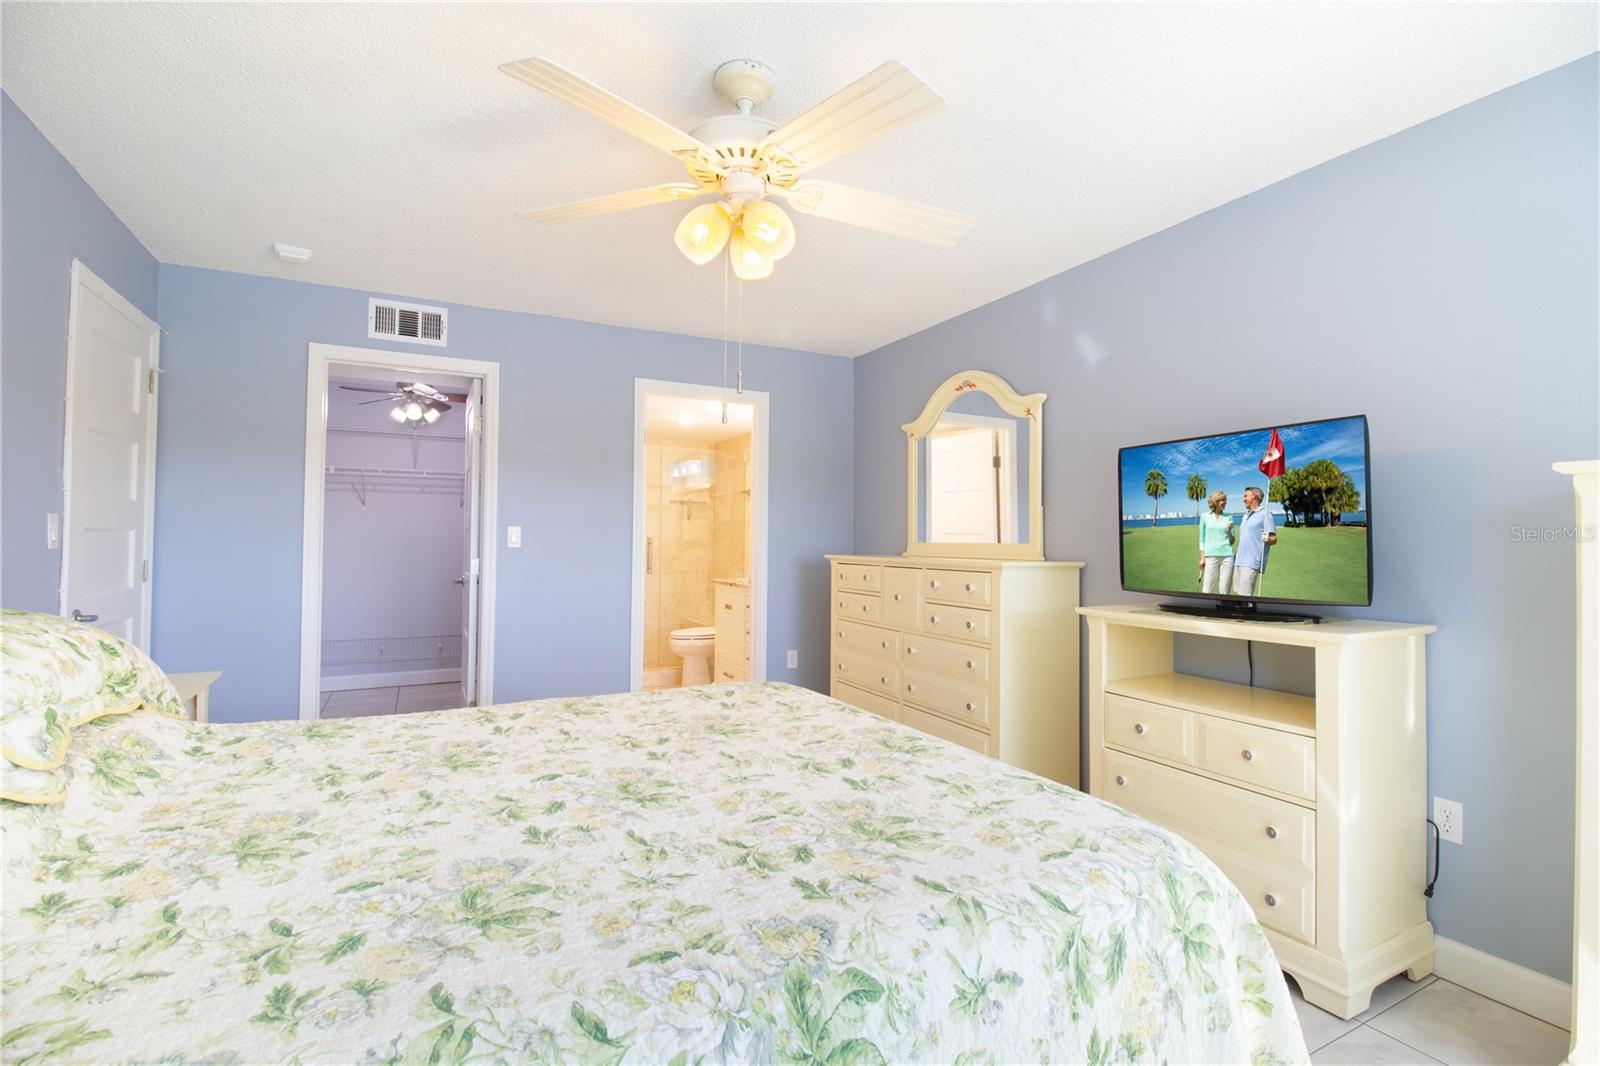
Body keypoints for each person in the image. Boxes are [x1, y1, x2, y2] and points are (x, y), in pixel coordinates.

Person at [1232, 485, 1277, 597]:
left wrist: (1267, 537)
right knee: (1238, 594)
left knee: (1244, 597)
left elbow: (1274, 539)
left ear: (1255, 496)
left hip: (1251, 563)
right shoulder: (1245, 516)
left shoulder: (1265, 515)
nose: (1243, 499)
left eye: (1246, 496)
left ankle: (1246, 615)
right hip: (1239, 561)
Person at [1197, 490, 1236, 594]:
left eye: (1225, 500)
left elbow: (1232, 541)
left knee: (1225, 590)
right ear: (1216, 501)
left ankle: (1223, 609)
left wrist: (1228, 531)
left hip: (1227, 556)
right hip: (1210, 556)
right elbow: (1202, 539)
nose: (1225, 502)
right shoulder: (1205, 517)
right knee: (1207, 589)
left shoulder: (1229, 517)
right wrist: (1202, 557)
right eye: (1223, 500)